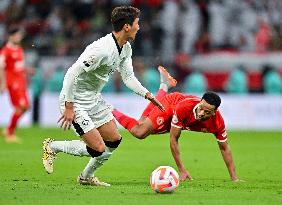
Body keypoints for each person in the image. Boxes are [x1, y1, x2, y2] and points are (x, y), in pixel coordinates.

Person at [42, 6, 164, 187]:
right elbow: (72, 73)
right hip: (75, 100)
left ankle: (86, 177)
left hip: (93, 98)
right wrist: (69, 106)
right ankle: (52, 147)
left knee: (114, 140)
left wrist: (147, 94)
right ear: (127, 27)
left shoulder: (125, 48)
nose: (140, 27)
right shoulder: (101, 50)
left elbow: (128, 77)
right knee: (98, 148)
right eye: (137, 23)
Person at [112, 67, 240, 182]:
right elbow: (173, 139)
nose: (201, 113)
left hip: (180, 120)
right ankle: (110, 110)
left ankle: (164, 86)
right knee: (140, 132)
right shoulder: (185, 107)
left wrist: (234, 178)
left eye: (207, 112)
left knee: (141, 123)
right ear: (200, 101)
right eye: (201, 108)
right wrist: (182, 170)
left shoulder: (217, 123)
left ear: (214, 112)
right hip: (172, 105)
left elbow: (224, 148)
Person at [0, 26, 30, 143]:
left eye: (20, 35)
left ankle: (8, 129)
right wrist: (2, 83)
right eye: (17, 35)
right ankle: (10, 133)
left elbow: (18, 67)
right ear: (10, 36)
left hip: (21, 82)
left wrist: (27, 71)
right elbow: (1, 68)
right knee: (20, 107)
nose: (19, 37)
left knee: (26, 107)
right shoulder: (5, 51)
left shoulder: (18, 49)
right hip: (13, 83)